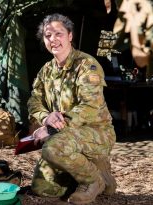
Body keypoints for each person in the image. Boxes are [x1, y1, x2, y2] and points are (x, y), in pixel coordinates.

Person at [27, 13, 117, 204]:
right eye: (48, 35)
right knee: (42, 188)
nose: (53, 39)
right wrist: (45, 118)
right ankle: (95, 172)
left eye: (58, 34)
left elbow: (90, 106)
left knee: (52, 148)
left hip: (95, 133)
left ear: (70, 36)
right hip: (66, 135)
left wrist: (52, 128)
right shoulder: (46, 70)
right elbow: (33, 101)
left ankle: (93, 181)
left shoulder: (87, 65)